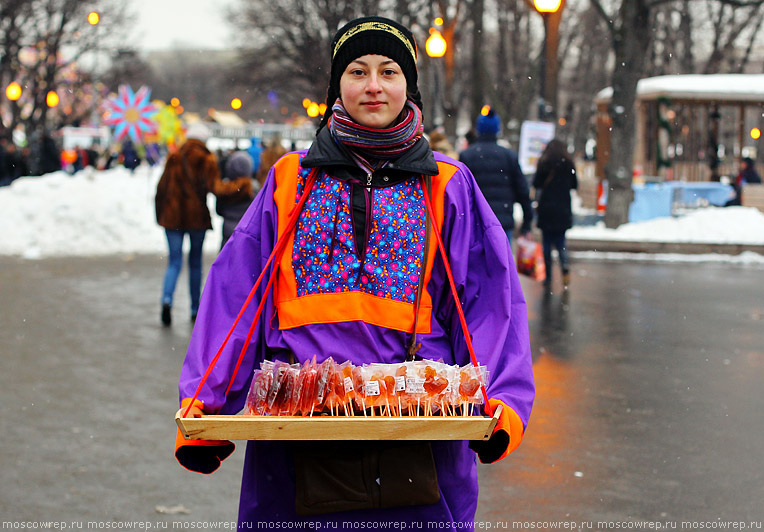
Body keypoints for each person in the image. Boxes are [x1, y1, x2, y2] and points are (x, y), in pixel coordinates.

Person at [174, 16, 535, 529]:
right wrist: (204, 405)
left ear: (408, 85)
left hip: (419, 439)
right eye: (357, 71)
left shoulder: (450, 186)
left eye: (388, 71)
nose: (373, 85)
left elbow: (490, 299)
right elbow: (237, 297)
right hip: (297, 443)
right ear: (336, 88)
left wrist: (503, 403)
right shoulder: (290, 181)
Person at [155, 127, 254, 326]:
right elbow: (216, 188)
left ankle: (167, 300)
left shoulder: (174, 158)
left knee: (174, 262)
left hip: (172, 219)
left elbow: (161, 190)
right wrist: (242, 184)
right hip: (196, 219)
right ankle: (194, 309)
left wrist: (162, 216)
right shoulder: (206, 159)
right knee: (195, 263)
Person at [459, 108, 533, 242]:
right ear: (497, 130)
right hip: (502, 223)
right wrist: (527, 223)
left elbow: (460, 193)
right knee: (502, 261)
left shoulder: (467, 156)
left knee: (477, 262)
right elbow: (522, 190)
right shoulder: (508, 156)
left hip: (476, 223)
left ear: (479, 129)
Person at [533, 138, 578, 288]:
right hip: (563, 208)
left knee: (546, 243)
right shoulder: (568, 163)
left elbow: (536, 183)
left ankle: (548, 276)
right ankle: (565, 269)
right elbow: (574, 184)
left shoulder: (544, 163)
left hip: (547, 208)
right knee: (561, 242)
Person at [216, 150, 259, 249]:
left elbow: (219, 210)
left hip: (227, 228)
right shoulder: (254, 188)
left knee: (226, 257)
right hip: (247, 229)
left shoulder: (225, 188)